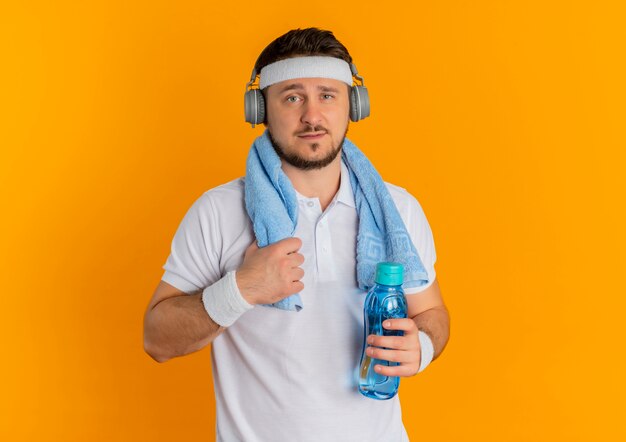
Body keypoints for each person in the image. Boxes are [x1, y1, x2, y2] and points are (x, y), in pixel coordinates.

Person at [143, 27, 450, 442]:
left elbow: (432, 314)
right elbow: (157, 339)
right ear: (260, 110)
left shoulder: (398, 210)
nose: (311, 115)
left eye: (327, 95)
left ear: (353, 106)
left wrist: (424, 348)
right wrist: (241, 289)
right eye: (292, 97)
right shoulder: (218, 211)